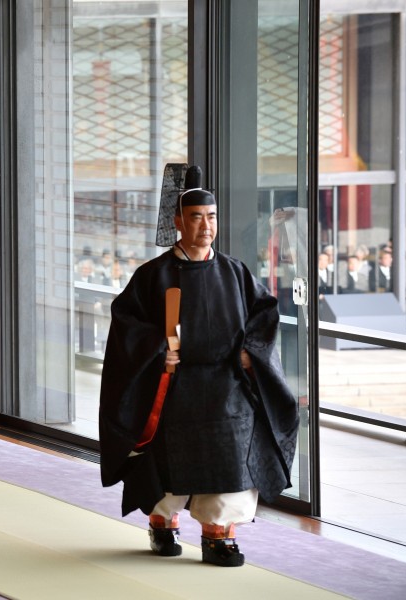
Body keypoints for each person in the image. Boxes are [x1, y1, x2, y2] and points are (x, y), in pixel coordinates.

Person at [98, 164, 299, 567]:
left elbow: (264, 316)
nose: (205, 226)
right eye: (195, 218)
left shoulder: (235, 271)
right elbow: (127, 323)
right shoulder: (152, 275)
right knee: (165, 460)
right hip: (174, 388)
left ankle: (219, 535)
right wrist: (158, 350)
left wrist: (251, 354)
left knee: (230, 459)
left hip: (227, 387)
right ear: (178, 222)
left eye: (211, 217)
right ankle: (162, 522)